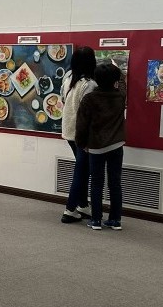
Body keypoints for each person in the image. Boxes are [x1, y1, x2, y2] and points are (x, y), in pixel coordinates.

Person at [75, 63, 126, 231]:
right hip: (117, 144)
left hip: (96, 146)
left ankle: (96, 219)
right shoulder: (120, 96)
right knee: (115, 183)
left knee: (97, 183)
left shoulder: (89, 99)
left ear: (96, 79)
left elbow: (81, 125)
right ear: (115, 80)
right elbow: (122, 84)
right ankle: (115, 220)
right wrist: (119, 73)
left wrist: (81, 144)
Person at [59, 46, 97, 223]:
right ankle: (69, 209)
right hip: (82, 134)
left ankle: (82, 205)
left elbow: (62, 99)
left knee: (83, 169)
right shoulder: (90, 85)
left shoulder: (68, 78)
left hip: (69, 131)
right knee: (81, 171)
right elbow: (88, 113)